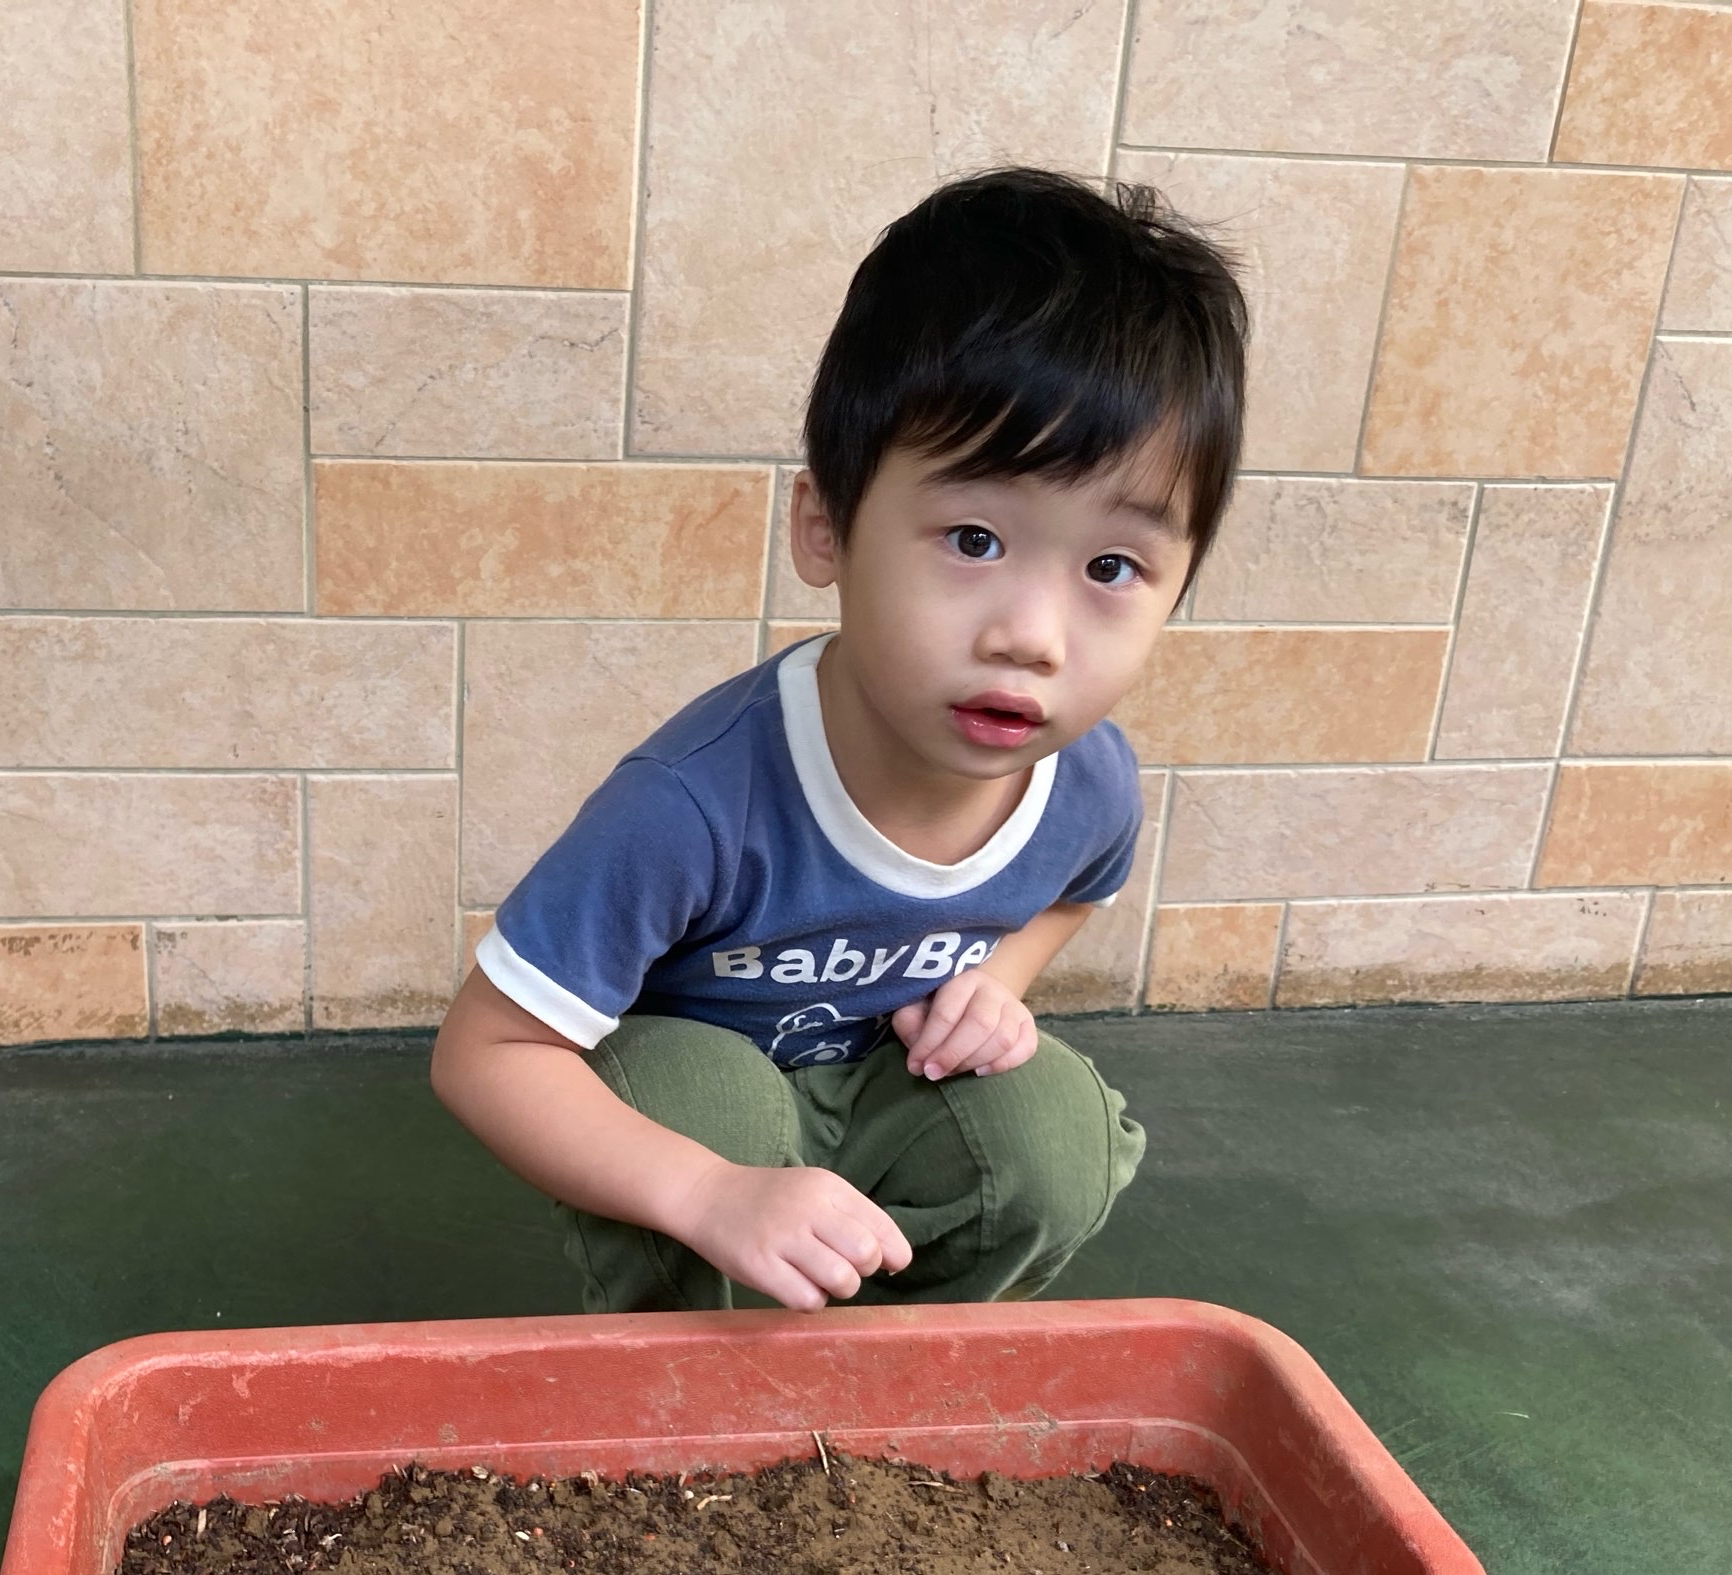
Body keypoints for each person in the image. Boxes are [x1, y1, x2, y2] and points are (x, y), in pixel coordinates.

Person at [430, 168, 1248, 1314]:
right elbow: (484, 1053)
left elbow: (1076, 890)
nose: (1031, 636)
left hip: (885, 1087)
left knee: (1050, 1135)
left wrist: (994, 983)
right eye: (972, 539)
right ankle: (689, 1372)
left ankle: (889, 1378)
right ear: (827, 527)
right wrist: (706, 1193)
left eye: (1111, 566)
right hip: (704, 1113)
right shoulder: (692, 803)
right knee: (702, 1097)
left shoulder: (1087, 783)